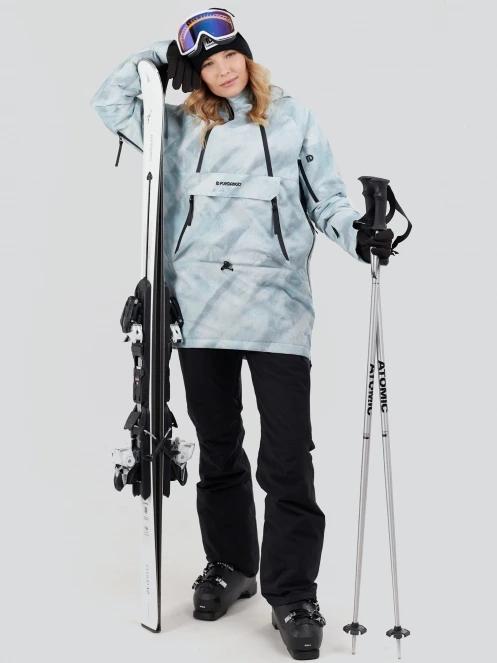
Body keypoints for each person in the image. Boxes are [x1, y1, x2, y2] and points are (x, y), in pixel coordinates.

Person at [91, 7, 393, 659]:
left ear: (247, 57)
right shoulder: (175, 127)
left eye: (230, 54)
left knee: (287, 456)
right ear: (192, 73)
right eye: (206, 62)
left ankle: (294, 593)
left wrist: (360, 236)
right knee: (218, 444)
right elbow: (108, 102)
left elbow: (327, 201)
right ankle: (232, 564)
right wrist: (162, 54)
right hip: (198, 307)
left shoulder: (292, 118)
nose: (223, 68)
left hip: (276, 308)